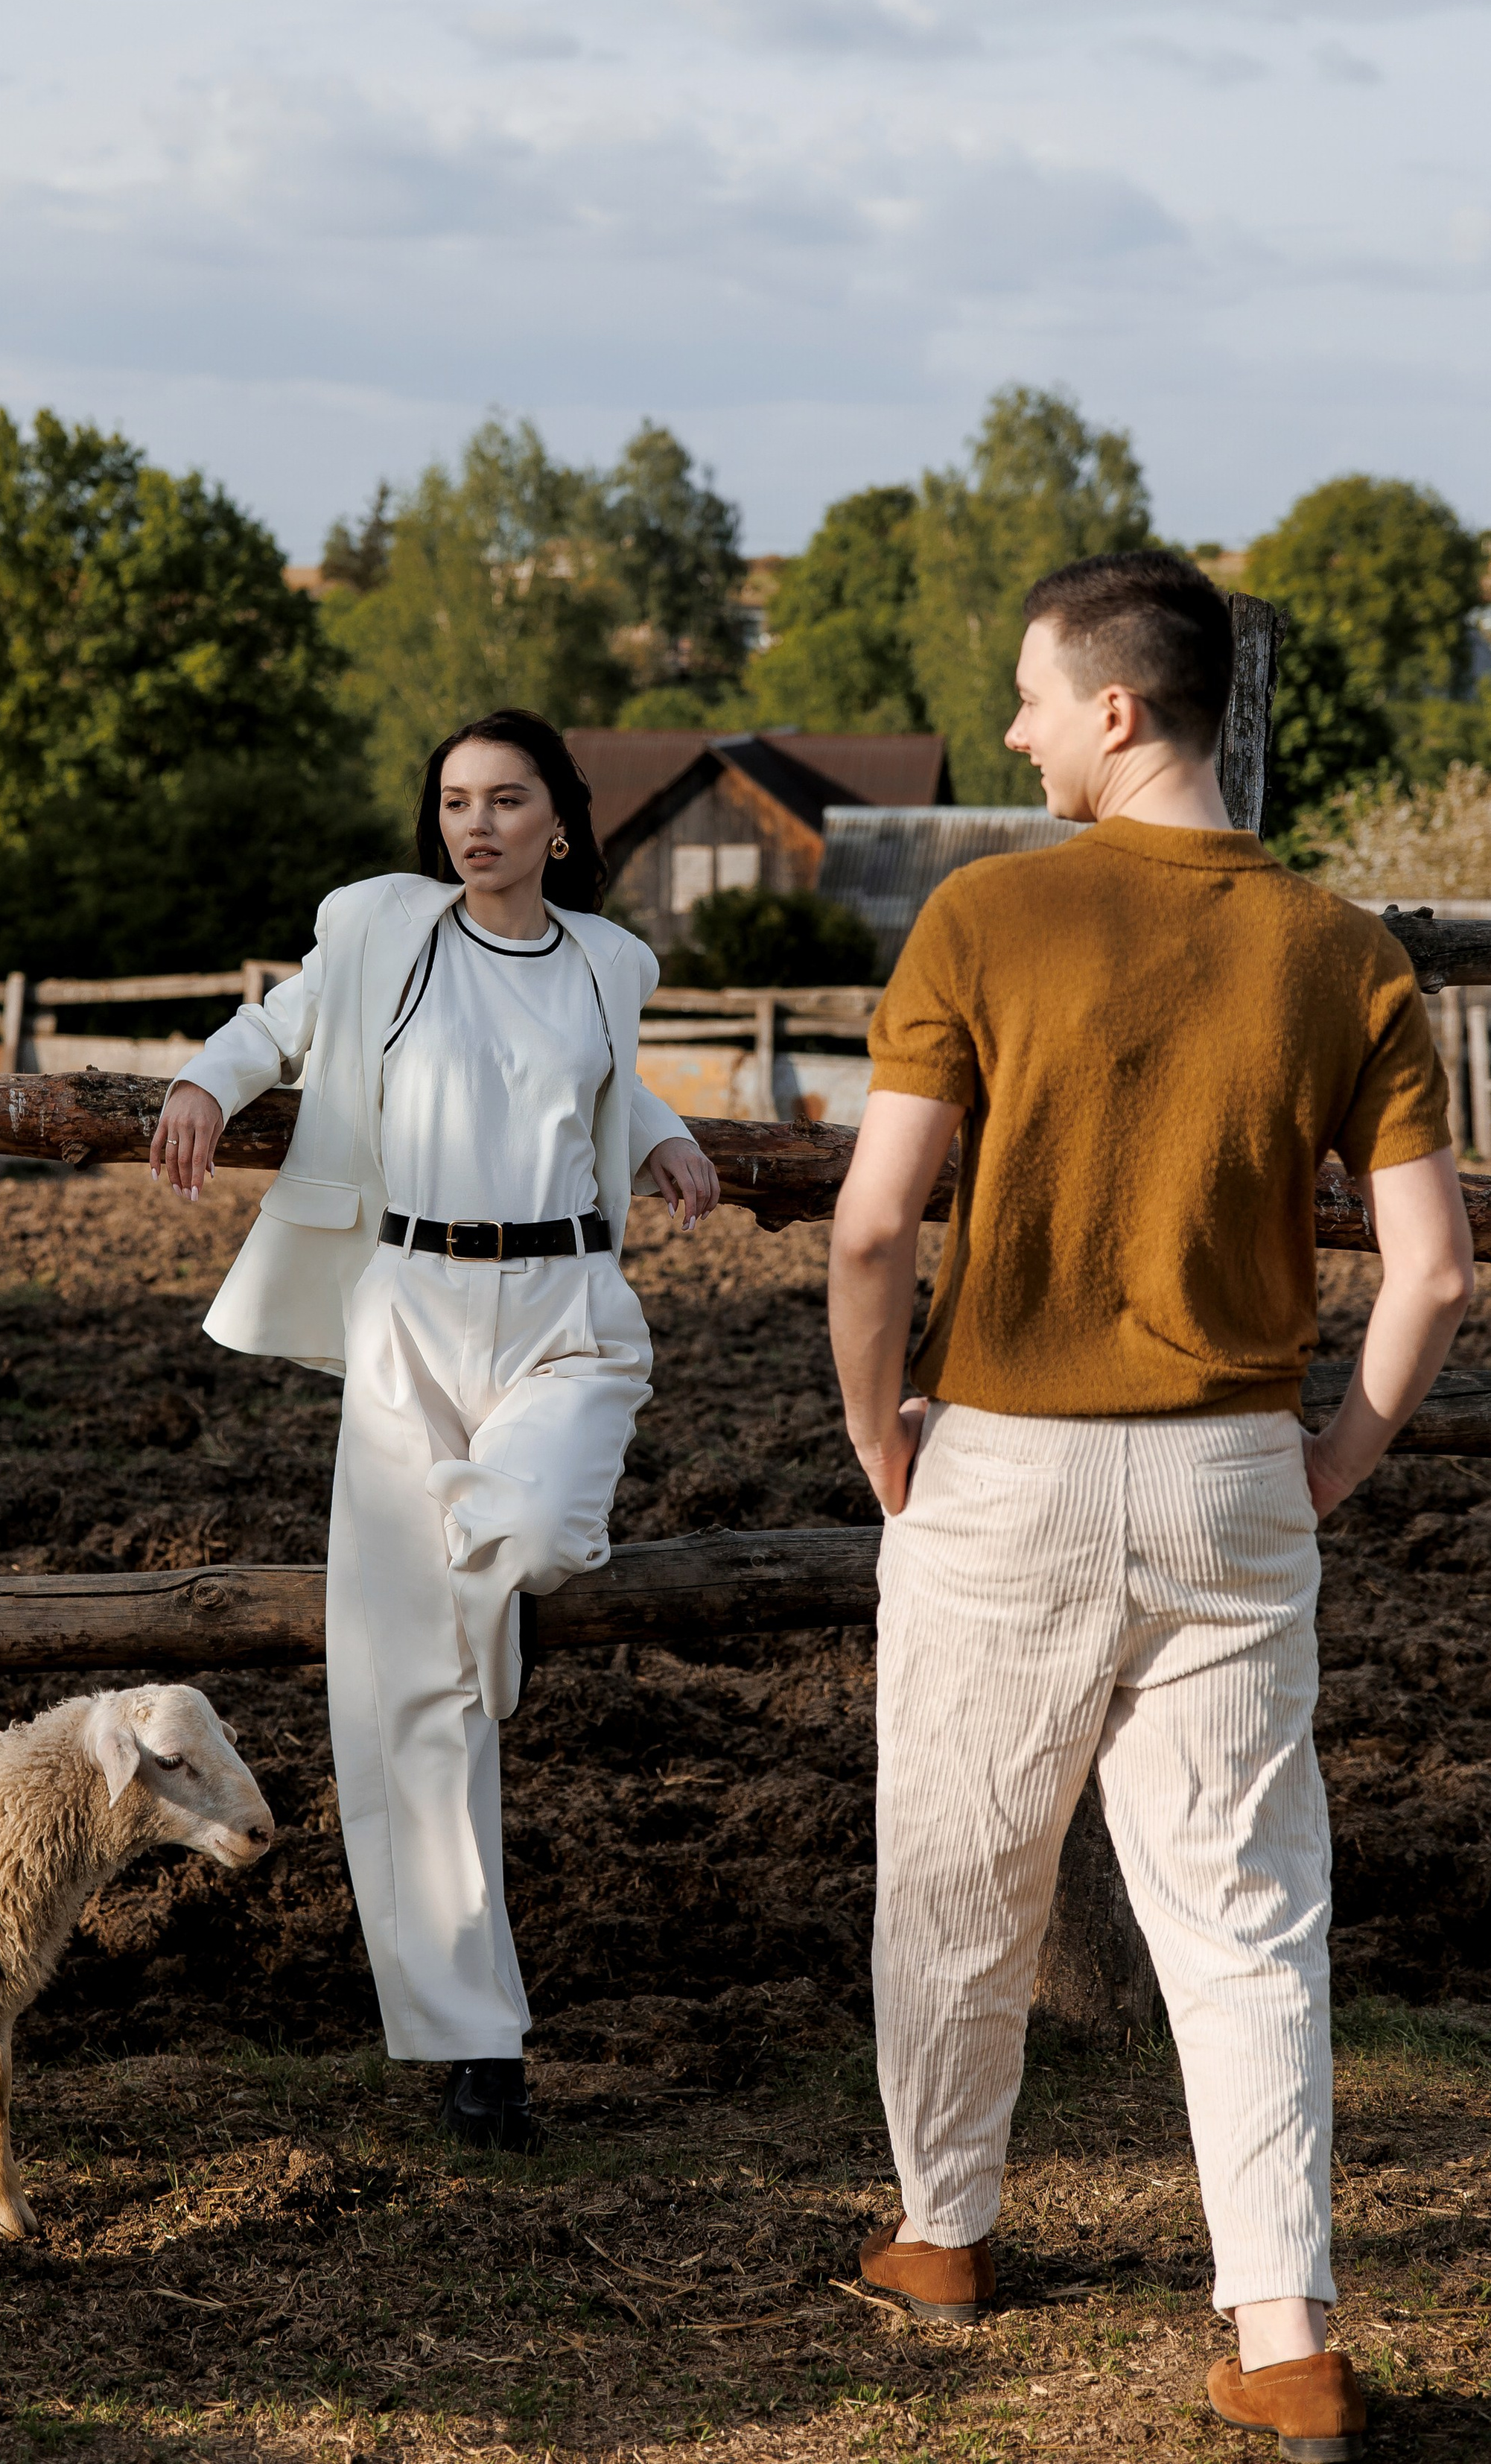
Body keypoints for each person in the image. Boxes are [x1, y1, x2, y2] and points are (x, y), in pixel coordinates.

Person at [829, 553, 1470, 2462]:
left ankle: (941, 2238)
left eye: (1029, 694)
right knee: (1249, 1910)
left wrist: (879, 1440)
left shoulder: (984, 917)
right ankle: (1283, 2335)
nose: (1014, 727)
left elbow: (872, 1226)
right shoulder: (1344, 949)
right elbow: (1431, 1274)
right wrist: (1338, 1457)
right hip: (1227, 1476)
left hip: (1001, 1463)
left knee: (957, 1866)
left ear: (1118, 709)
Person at [150, 708, 719, 2150]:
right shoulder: (385, 936)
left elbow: (570, 1065)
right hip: (408, 1306)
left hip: (565, 1307)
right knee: (414, 1700)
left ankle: (478, 1609)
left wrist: (653, 1123)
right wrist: (205, 1083)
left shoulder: (609, 963)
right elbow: (281, 1025)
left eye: (509, 801)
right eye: (457, 801)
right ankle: (479, 2047)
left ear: (561, 823)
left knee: (533, 1534)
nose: (478, 825)